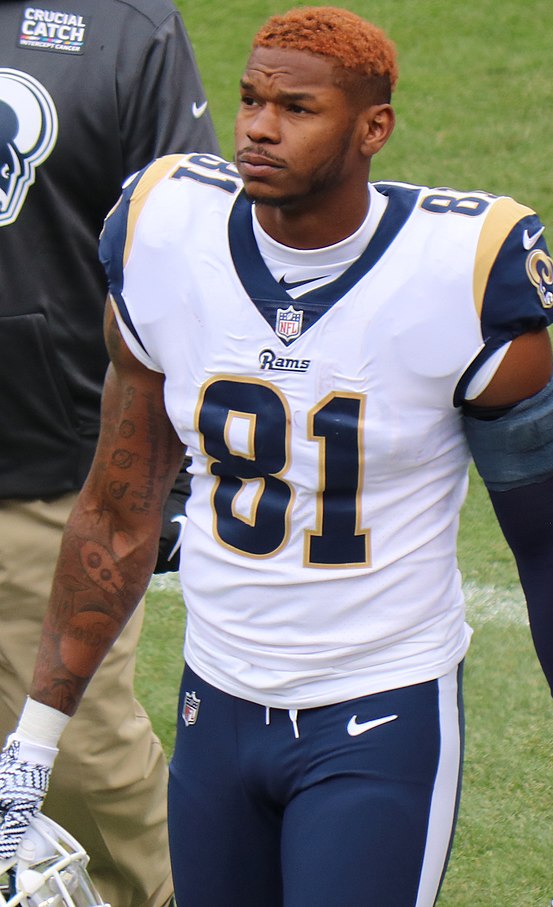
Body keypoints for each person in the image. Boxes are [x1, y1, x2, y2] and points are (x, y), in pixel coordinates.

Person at [0, 5, 553, 906]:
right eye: (252, 100)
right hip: (213, 702)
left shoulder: (463, 271)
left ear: (374, 127)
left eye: (297, 108)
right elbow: (119, 505)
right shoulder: (163, 236)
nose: (259, 127)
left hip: (380, 712)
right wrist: (30, 743)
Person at [0, 1, 219, 904]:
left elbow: (192, 240)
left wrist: (180, 453)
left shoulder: (124, 28)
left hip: (48, 467)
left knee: (80, 757)